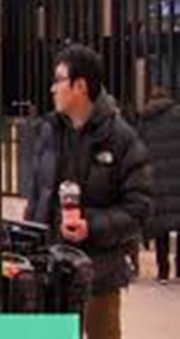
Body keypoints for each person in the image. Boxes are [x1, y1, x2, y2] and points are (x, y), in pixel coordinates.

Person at [24, 44, 152, 339]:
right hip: (51, 271)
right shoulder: (48, 131)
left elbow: (139, 208)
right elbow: (37, 196)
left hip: (100, 275)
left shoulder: (121, 139)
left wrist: (90, 226)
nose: (52, 88)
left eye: (59, 80)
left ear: (80, 86)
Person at [139, 87, 180, 284]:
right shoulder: (177, 115)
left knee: (160, 228)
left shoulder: (145, 120)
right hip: (177, 177)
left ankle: (163, 271)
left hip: (155, 180)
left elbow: (139, 150)